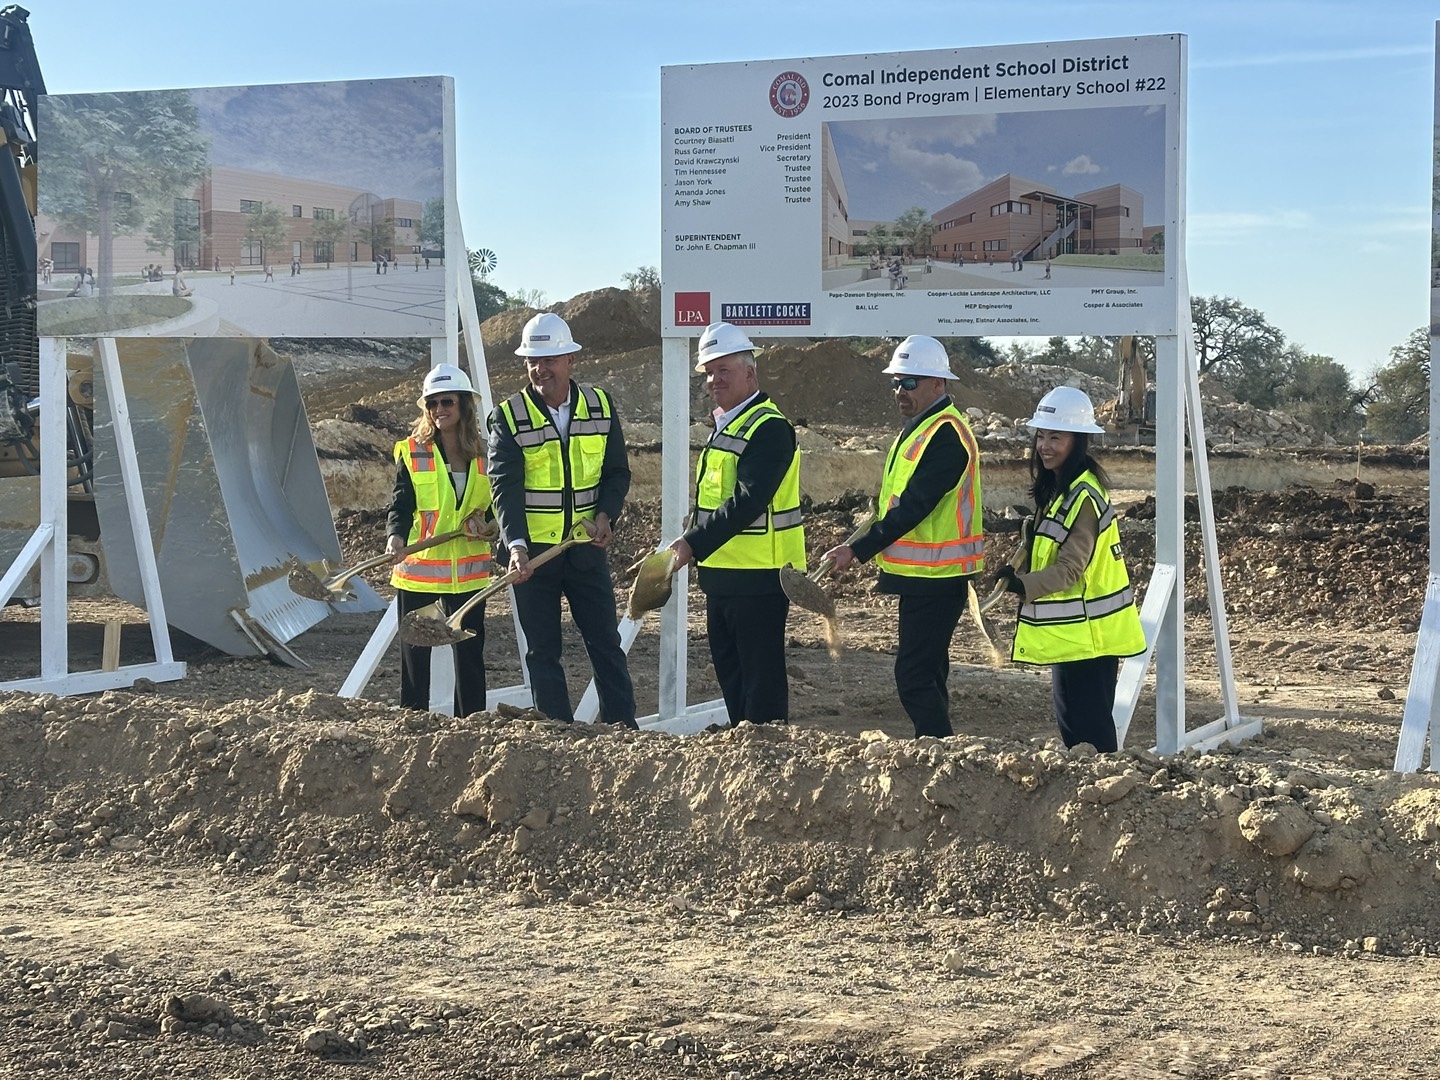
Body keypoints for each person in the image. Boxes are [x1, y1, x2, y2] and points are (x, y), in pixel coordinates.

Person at [822, 335, 983, 739]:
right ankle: (937, 751)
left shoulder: (946, 435)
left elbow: (915, 506)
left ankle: (936, 750)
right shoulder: (920, 430)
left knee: (913, 676)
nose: (900, 391)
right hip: (922, 576)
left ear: (938, 384)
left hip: (938, 577)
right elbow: (895, 504)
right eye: (896, 382)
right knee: (928, 672)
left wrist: (858, 550)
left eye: (910, 382)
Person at [488, 312, 637, 728]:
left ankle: (622, 732)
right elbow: (505, 487)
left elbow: (616, 472)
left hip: (585, 549)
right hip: (534, 556)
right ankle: (557, 733)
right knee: (541, 650)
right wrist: (515, 544)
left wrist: (606, 515)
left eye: (549, 359)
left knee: (606, 644)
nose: (540, 369)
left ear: (570, 359)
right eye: (533, 360)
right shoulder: (508, 416)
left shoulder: (601, 406)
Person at [990, 386, 1146, 752]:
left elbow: (1071, 568)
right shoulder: (1062, 490)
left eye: (1055, 437)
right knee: (1074, 731)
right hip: (1076, 636)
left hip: (1093, 637)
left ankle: (1107, 797)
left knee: (1091, 735)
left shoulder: (1085, 497)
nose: (1044, 445)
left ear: (1078, 441)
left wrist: (1021, 587)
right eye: (1041, 435)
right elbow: (1047, 547)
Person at [670, 322, 803, 727]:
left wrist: (692, 542)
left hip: (759, 578)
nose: (713, 380)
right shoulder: (728, 424)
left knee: (760, 691)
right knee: (735, 683)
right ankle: (747, 760)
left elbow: (748, 501)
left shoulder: (770, 427)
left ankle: (768, 765)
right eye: (709, 372)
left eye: (722, 370)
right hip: (723, 576)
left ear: (750, 372)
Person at [387, 362, 495, 716]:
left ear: (464, 404)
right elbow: (400, 505)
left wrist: (490, 524)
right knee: (416, 657)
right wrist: (395, 537)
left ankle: (472, 727)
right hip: (419, 570)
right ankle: (413, 723)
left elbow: (498, 505)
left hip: (468, 573)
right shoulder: (413, 451)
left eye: (446, 402)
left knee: (469, 656)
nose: (438, 410)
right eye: (431, 404)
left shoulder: (485, 452)